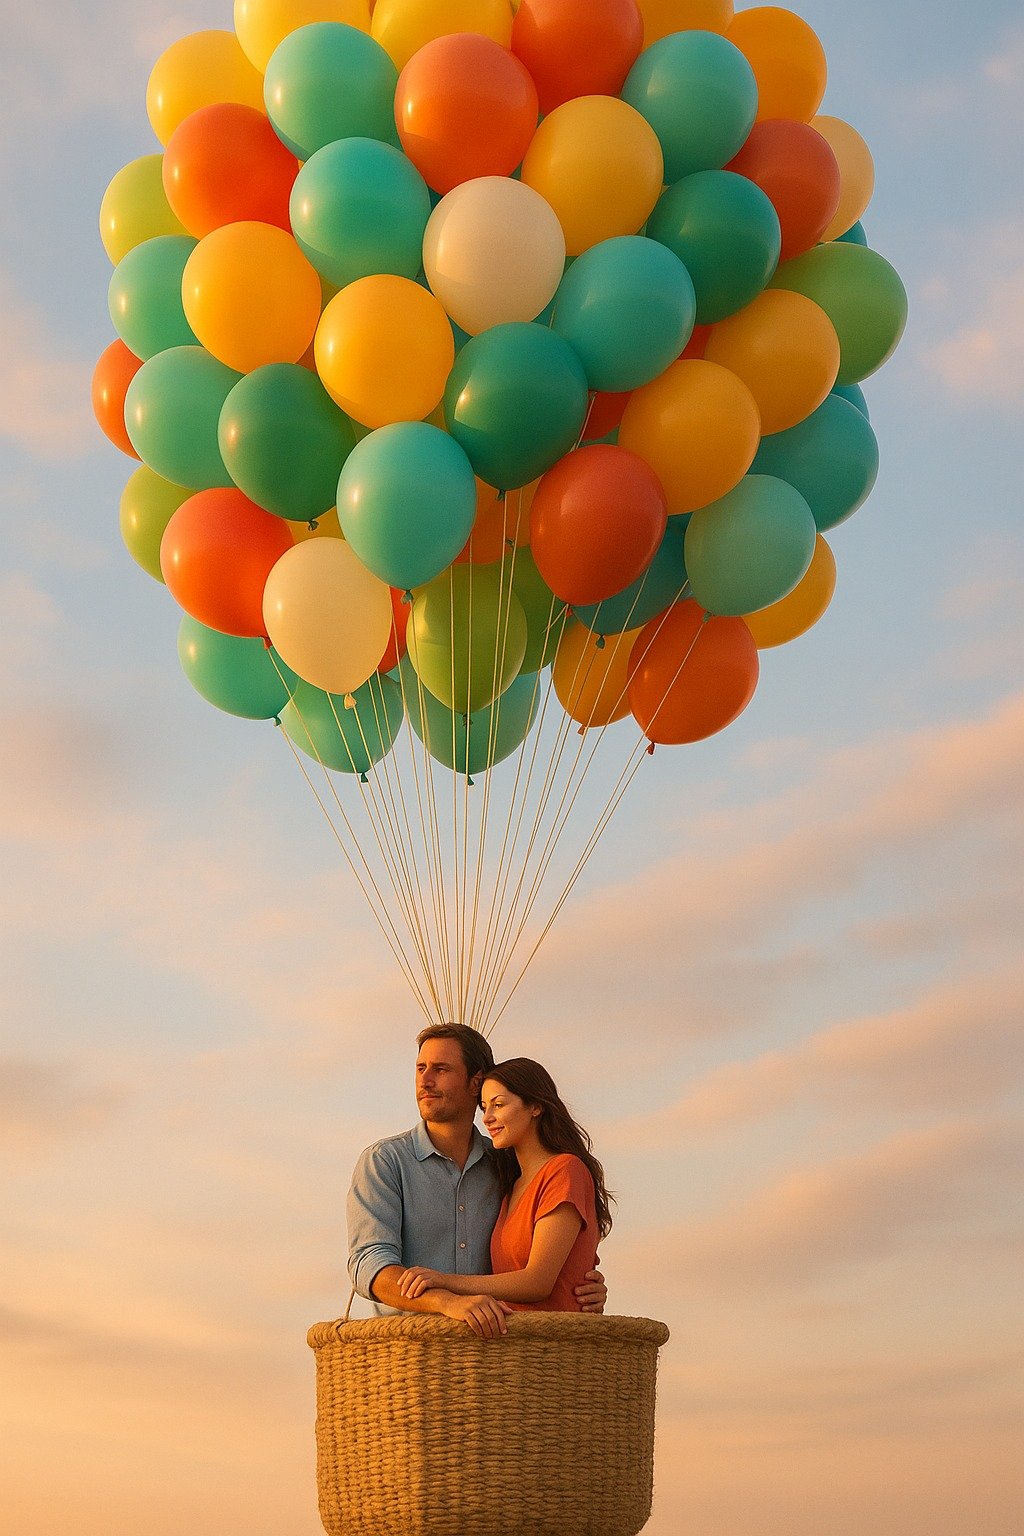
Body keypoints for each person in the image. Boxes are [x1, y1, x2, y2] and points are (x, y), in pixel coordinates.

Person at [347, 1024, 607, 1338]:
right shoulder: (385, 1162)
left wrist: (581, 1282)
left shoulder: (506, 1168)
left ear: (475, 1083)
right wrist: (444, 1301)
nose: (425, 1081)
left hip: (494, 1359)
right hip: (410, 1356)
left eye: (441, 1069)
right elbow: (369, 1267)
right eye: (420, 1068)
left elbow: (541, 1264)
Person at [396, 1056, 613, 1315]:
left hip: (556, 1346)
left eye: (498, 1105)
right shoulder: (509, 1181)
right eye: (484, 1107)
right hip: (513, 1346)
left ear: (535, 1106)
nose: (487, 1118)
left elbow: (537, 1283)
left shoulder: (565, 1170)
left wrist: (443, 1280)